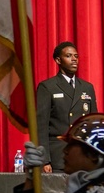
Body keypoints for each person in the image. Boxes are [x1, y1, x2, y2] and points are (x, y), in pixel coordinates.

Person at [35, 42, 97, 172]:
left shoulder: (86, 87)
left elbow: (93, 124)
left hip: (83, 155)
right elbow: (41, 126)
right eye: (69, 56)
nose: (74, 59)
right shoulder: (48, 87)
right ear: (58, 60)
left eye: (76, 56)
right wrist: (45, 160)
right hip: (59, 155)